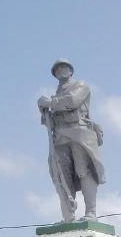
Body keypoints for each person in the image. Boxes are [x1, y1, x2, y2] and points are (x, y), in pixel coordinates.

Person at [38, 59, 106, 223]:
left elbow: (72, 101)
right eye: (57, 68)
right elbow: (50, 121)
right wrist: (44, 111)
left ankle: (91, 212)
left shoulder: (81, 85)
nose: (61, 70)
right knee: (61, 174)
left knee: (84, 169)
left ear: (70, 70)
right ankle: (68, 216)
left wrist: (50, 103)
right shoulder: (56, 93)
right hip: (60, 135)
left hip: (79, 131)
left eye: (64, 67)